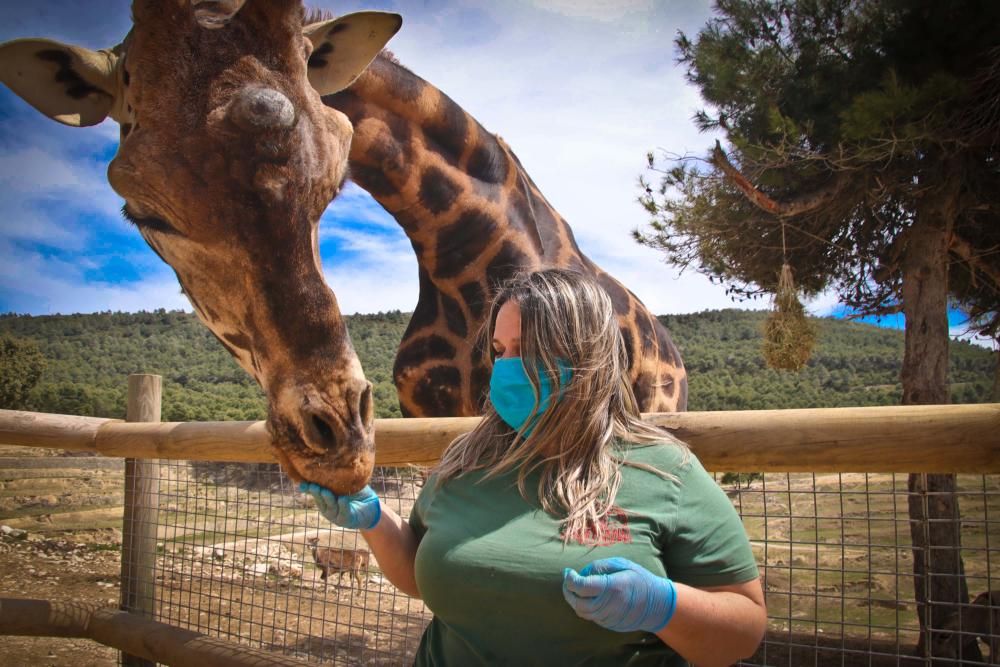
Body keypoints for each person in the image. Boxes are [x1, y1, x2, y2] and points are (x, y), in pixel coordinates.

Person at [301, 269, 766, 666]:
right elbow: (421, 577)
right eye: (500, 351)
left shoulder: (665, 470)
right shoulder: (466, 461)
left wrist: (664, 606)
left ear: (585, 356)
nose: (506, 367)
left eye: (528, 348)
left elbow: (744, 630)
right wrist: (376, 520)